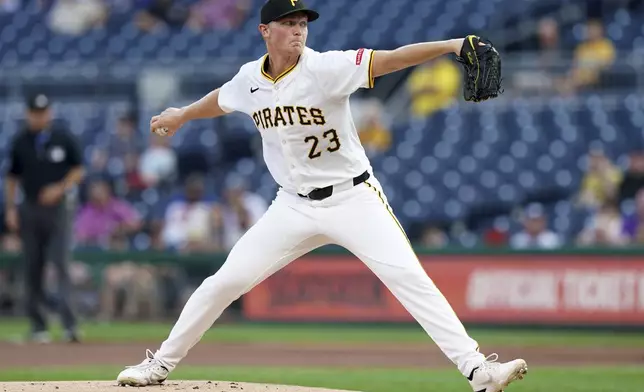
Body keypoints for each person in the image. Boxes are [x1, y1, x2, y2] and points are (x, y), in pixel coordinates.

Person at [116, 1, 528, 391]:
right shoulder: (250, 80)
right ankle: (159, 365)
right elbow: (221, 99)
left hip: (353, 199)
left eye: (302, 24)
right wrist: (182, 115)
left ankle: (478, 370)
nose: (298, 31)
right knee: (224, 281)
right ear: (265, 31)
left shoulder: (326, 67)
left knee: (410, 280)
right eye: (289, 24)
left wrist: (452, 45)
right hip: (292, 205)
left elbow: (392, 58)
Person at [4, 93, 85, 343]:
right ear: (28, 113)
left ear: (49, 112)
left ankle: (69, 325)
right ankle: (38, 325)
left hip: (59, 208)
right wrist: (10, 209)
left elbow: (78, 170)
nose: (39, 116)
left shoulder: (63, 138)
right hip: (29, 208)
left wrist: (59, 188)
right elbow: (12, 177)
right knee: (33, 266)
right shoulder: (20, 141)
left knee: (60, 264)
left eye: (43, 112)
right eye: (35, 112)